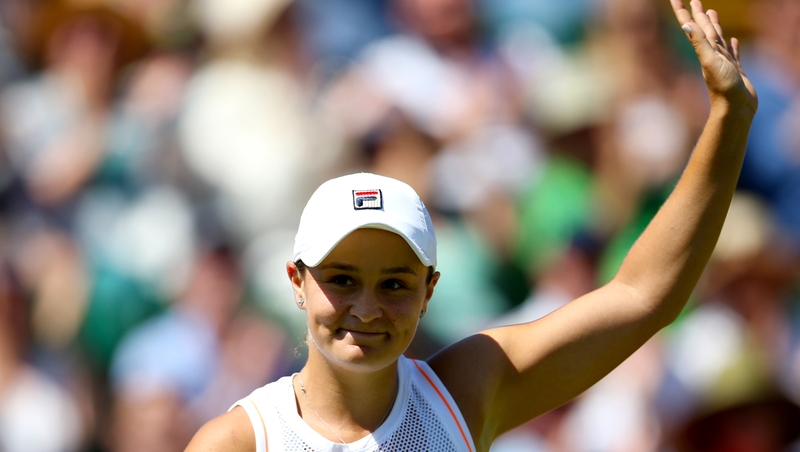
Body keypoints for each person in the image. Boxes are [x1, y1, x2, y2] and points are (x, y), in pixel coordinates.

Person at [185, 0, 758, 450]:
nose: (365, 306)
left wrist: (728, 119)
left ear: (429, 289)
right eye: (340, 278)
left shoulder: (466, 391)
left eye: (394, 284)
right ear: (295, 280)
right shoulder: (235, 443)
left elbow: (643, 295)